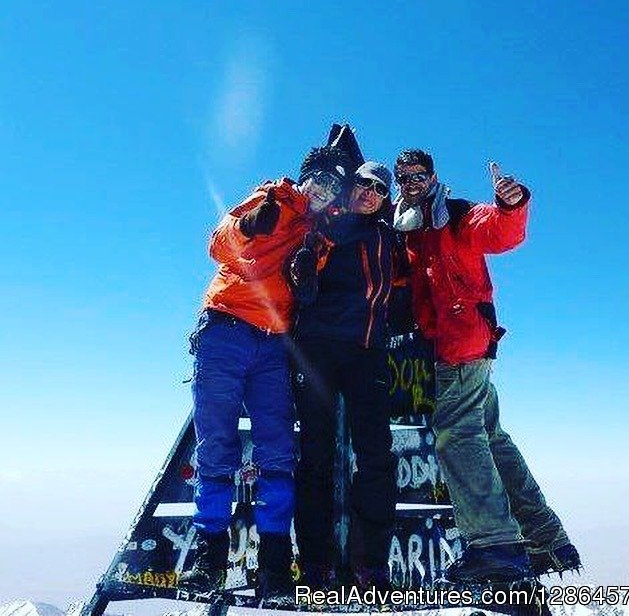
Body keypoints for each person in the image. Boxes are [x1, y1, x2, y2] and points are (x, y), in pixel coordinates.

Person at [393, 149, 581, 583]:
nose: (410, 183)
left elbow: (499, 232)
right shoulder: (409, 227)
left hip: (459, 346)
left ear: (433, 177)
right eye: (404, 177)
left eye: (417, 175)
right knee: (491, 437)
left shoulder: (455, 216)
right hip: (461, 346)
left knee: (456, 437)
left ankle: (495, 546)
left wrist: (511, 204)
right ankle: (544, 538)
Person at [180, 145, 355, 599]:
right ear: (305, 177)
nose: (323, 188)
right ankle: (209, 555)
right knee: (216, 442)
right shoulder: (271, 200)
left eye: (333, 184)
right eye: (319, 178)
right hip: (226, 328)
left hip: (275, 342)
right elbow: (218, 245)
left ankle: (275, 561)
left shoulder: (321, 231)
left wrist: (311, 271)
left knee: (277, 447)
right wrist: (245, 227)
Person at [288, 161, 399, 591]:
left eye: (379, 188)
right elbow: (298, 269)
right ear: (350, 188)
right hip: (318, 349)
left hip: (367, 352)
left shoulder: (390, 238)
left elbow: (407, 286)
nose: (369, 192)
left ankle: (371, 564)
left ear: (385, 198)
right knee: (315, 454)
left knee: (376, 456)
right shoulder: (324, 228)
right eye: (363, 184)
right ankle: (316, 564)